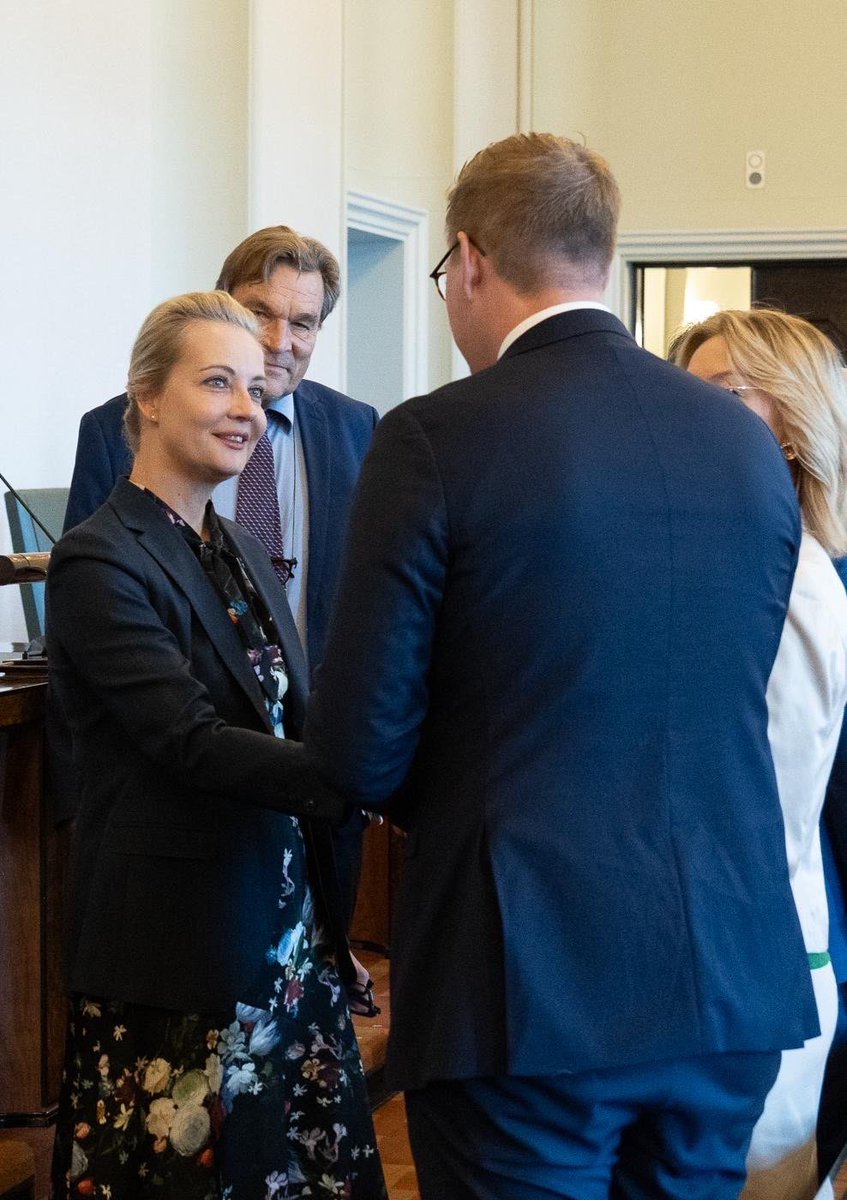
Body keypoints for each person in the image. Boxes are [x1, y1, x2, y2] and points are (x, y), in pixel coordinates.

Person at [304, 132, 819, 1200]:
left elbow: (359, 747)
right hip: (722, 971)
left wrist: (472, 795)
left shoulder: (434, 437)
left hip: (525, 980)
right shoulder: (743, 447)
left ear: (471, 259)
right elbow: (729, 683)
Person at [48, 291, 386, 1200]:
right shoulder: (100, 557)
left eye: (252, 387)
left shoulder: (232, 545)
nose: (245, 407)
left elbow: (293, 716)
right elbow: (187, 741)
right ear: (148, 396)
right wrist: (356, 774)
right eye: (216, 383)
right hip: (178, 947)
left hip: (284, 936)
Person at [61, 226, 378, 926]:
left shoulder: (351, 439)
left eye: (302, 322)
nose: (278, 340)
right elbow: (107, 670)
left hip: (303, 827)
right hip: (170, 836)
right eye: (259, 313)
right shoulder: (105, 530)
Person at [677, 307, 847, 1200]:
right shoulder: (719, 559)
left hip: (760, 956)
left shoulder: (797, 576)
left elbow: (766, 800)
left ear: (792, 420)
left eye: (722, 395)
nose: (687, 415)